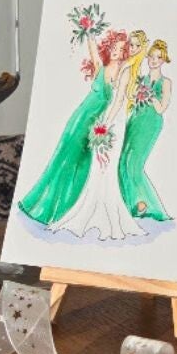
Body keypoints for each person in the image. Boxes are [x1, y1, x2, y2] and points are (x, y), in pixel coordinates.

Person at [50, 30, 147, 240]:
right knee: (99, 167)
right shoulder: (116, 68)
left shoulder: (127, 68)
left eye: (126, 48)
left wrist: (105, 124)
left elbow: (119, 100)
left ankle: (111, 221)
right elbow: (96, 57)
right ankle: (96, 213)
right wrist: (90, 32)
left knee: (107, 168)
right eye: (122, 47)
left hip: (113, 121)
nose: (124, 50)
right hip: (106, 119)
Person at [118, 39, 172, 220]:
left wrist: (150, 95)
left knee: (134, 163)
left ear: (163, 60)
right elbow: (129, 97)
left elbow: (161, 109)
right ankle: (132, 204)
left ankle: (143, 203)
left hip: (150, 124)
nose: (154, 60)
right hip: (135, 120)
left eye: (158, 57)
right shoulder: (141, 79)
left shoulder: (165, 82)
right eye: (152, 56)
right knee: (123, 161)